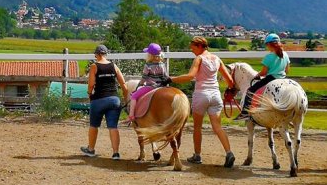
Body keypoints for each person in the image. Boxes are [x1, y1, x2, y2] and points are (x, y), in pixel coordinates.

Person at [169, 36, 236, 168]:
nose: (191, 49)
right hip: (215, 95)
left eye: (193, 46)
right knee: (217, 127)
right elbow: (230, 81)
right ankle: (229, 153)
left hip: (201, 95)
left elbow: (190, 76)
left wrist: (171, 79)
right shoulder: (217, 59)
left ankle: (197, 155)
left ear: (200, 46)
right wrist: (229, 90)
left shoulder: (199, 59)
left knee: (197, 127)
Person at [80, 44, 129, 160]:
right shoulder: (114, 66)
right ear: (106, 54)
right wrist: (125, 98)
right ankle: (116, 153)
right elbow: (123, 85)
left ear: (96, 54)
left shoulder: (94, 66)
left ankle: (91, 149)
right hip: (114, 99)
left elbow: (91, 84)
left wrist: (89, 93)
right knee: (113, 127)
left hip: (99, 99)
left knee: (94, 125)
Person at [234, 33, 290, 120]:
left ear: (268, 44)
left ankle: (245, 113)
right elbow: (287, 70)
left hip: (271, 78)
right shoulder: (285, 54)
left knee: (250, 91)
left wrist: (257, 75)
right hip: (283, 78)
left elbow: (264, 72)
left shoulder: (269, 57)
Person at [124, 42, 169, 123]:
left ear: (150, 55)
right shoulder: (162, 64)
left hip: (150, 87)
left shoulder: (148, 65)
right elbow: (165, 77)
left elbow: (144, 78)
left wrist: (140, 85)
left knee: (134, 96)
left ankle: (131, 115)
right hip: (161, 86)